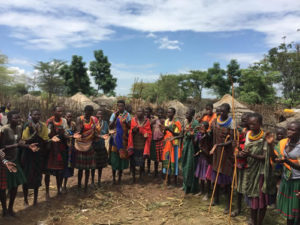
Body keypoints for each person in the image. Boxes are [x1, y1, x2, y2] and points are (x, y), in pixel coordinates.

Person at [0, 110, 37, 217]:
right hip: (5, 161)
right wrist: (15, 145)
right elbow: (2, 147)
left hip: (15, 159)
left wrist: (28, 146)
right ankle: (4, 209)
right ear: (10, 119)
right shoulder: (4, 130)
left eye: (18, 118)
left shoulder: (19, 128)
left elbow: (20, 142)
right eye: (15, 118)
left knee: (15, 185)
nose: (18, 120)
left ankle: (11, 208)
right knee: (3, 187)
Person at [242, 113, 275, 225]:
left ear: (260, 124)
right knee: (252, 197)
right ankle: (253, 220)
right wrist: (242, 153)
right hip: (251, 170)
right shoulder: (248, 134)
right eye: (249, 123)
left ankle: (259, 222)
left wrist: (250, 155)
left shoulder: (265, 136)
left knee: (260, 199)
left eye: (254, 124)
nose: (251, 125)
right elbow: (246, 149)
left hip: (261, 172)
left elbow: (265, 157)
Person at [209, 103, 234, 213]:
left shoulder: (231, 122)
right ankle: (216, 198)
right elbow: (211, 134)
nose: (221, 113)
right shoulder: (215, 121)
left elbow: (232, 140)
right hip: (216, 153)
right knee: (215, 178)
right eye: (220, 111)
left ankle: (228, 205)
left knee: (227, 180)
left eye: (224, 111)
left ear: (228, 111)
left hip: (226, 154)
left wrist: (220, 145)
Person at [21, 109, 49, 206]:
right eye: (35, 114)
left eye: (38, 114)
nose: (37, 116)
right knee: (26, 176)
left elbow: (45, 138)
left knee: (37, 176)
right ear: (31, 115)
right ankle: (25, 199)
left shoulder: (43, 125)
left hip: (38, 154)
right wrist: (34, 133)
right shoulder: (26, 125)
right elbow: (25, 139)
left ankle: (35, 200)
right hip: (28, 154)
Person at [274, 121, 300, 225]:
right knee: (290, 211)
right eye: (288, 129)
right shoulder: (285, 142)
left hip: (297, 181)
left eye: (293, 130)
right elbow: (276, 154)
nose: (289, 132)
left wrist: (286, 161)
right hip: (287, 179)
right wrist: (270, 144)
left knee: (297, 211)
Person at [73, 105, 97, 193]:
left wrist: (96, 132)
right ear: (85, 111)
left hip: (89, 145)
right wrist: (83, 128)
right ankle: (79, 185)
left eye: (91, 112)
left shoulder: (93, 120)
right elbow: (78, 131)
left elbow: (95, 132)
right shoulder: (79, 119)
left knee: (88, 168)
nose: (89, 114)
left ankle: (86, 186)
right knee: (80, 168)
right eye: (88, 112)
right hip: (80, 145)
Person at [231, 112, 251, 217]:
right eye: (242, 119)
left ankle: (250, 212)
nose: (243, 121)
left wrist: (239, 149)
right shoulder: (240, 132)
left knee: (248, 188)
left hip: (249, 165)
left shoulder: (252, 133)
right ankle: (238, 208)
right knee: (238, 187)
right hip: (239, 163)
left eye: (245, 119)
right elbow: (236, 143)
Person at [46, 106, 68, 197]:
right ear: (54, 112)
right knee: (47, 171)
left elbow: (66, 132)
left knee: (60, 170)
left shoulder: (64, 121)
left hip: (61, 147)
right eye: (58, 111)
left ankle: (59, 188)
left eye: (61, 111)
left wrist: (65, 135)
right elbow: (46, 134)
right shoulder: (49, 121)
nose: (60, 113)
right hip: (51, 148)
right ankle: (47, 191)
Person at [127, 107, 152, 183]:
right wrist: (133, 131)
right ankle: (134, 178)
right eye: (138, 111)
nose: (139, 113)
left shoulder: (147, 121)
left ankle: (141, 177)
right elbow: (130, 131)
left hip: (142, 145)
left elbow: (149, 133)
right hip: (134, 144)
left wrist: (143, 131)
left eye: (141, 111)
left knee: (142, 163)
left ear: (144, 113)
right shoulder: (133, 120)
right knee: (133, 162)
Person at [109, 100, 130, 184]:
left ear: (124, 106)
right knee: (114, 157)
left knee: (121, 157)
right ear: (117, 106)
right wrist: (115, 117)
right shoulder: (114, 114)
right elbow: (110, 126)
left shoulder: (127, 115)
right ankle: (114, 178)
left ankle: (120, 178)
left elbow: (130, 126)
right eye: (119, 106)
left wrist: (125, 122)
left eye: (122, 106)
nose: (120, 107)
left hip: (124, 139)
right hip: (115, 138)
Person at [162, 107, 182, 185]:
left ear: (174, 113)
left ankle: (175, 181)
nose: (168, 114)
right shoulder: (166, 121)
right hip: (166, 143)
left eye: (170, 112)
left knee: (174, 162)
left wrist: (169, 129)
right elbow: (164, 132)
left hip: (174, 144)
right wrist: (164, 131)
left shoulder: (176, 122)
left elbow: (178, 134)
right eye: (167, 112)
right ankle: (168, 180)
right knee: (167, 161)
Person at [181, 108, 199, 194]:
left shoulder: (195, 123)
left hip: (192, 147)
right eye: (186, 113)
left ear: (192, 115)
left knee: (190, 166)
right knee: (184, 165)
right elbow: (183, 134)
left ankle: (191, 187)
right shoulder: (185, 122)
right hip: (185, 146)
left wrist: (190, 134)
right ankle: (185, 185)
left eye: (188, 113)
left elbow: (196, 137)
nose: (186, 114)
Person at [194, 121, 212, 199]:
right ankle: (201, 191)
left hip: (206, 157)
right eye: (201, 126)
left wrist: (203, 133)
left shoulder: (207, 135)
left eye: (203, 127)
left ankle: (208, 193)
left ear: (206, 128)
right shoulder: (199, 134)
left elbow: (205, 142)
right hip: (201, 155)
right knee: (201, 174)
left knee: (207, 176)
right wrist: (194, 134)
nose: (201, 128)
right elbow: (195, 143)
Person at [91, 109, 109, 186]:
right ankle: (92, 181)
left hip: (102, 146)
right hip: (94, 146)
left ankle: (99, 180)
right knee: (93, 165)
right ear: (96, 115)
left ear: (103, 116)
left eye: (101, 114)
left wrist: (108, 135)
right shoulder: (93, 123)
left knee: (100, 166)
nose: (100, 116)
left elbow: (107, 133)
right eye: (98, 114)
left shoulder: (105, 123)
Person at [62, 112, 76, 192]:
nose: (69, 118)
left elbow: (76, 134)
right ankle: (60, 185)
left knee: (68, 167)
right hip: (63, 148)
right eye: (68, 116)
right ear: (65, 116)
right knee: (62, 167)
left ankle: (64, 185)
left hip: (71, 148)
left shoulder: (73, 124)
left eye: (71, 116)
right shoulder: (63, 124)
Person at [150, 108, 165, 177]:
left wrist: (161, 124)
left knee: (162, 157)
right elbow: (150, 126)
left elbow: (165, 129)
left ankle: (163, 173)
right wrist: (153, 121)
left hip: (161, 140)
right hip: (154, 140)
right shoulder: (154, 120)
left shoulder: (164, 121)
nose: (160, 114)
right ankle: (156, 172)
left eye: (161, 113)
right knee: (156, 158)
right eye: (159, 113)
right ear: (157, 113)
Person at [144, 107, 154, 175]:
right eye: (145, 112)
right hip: (143, 139)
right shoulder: (143, 119)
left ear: (150, 112)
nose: (146, 113)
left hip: (150, 139)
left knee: (149, 156)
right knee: (143, 155)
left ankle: (148, 170)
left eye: (148, 112)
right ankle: (142, 170)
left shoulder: (152, 119)